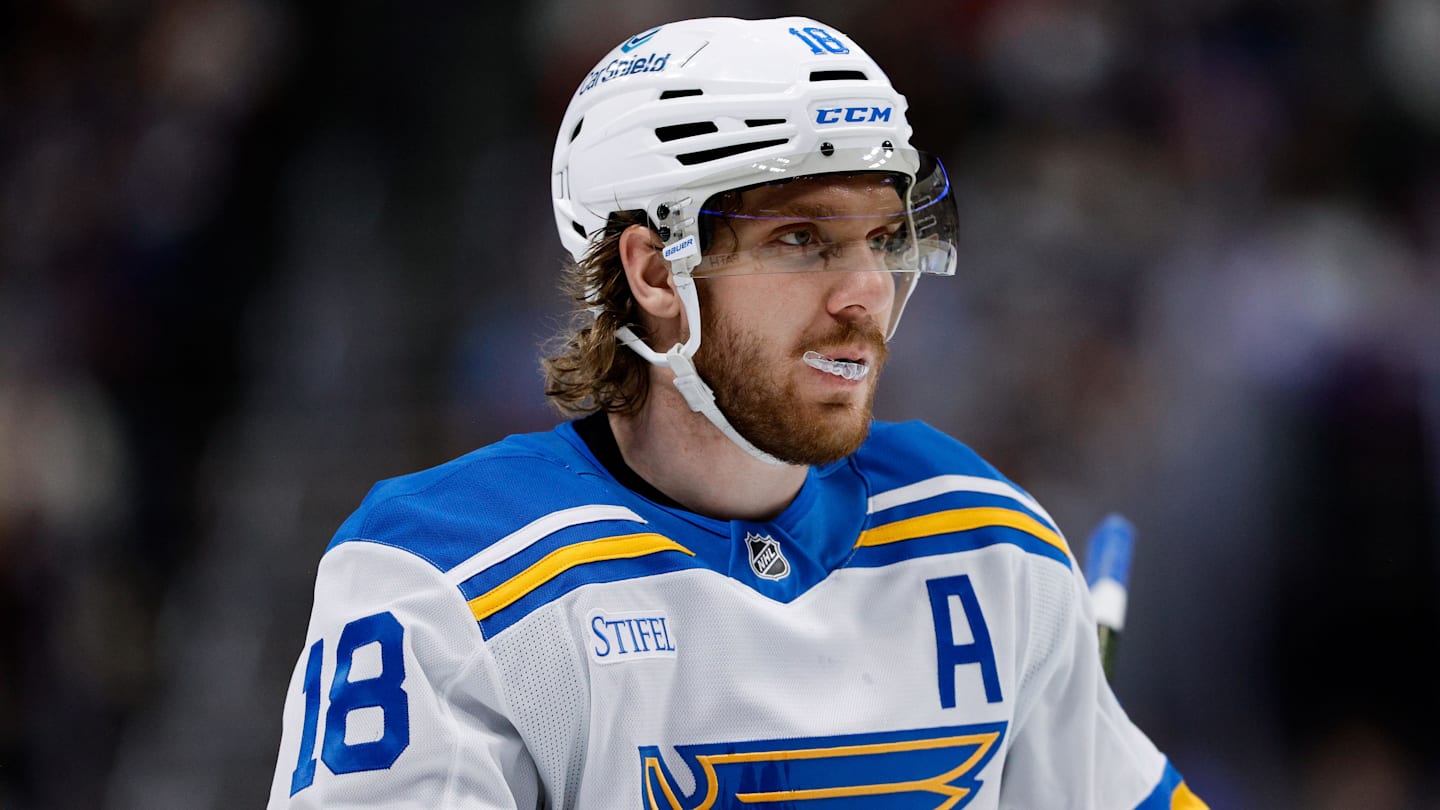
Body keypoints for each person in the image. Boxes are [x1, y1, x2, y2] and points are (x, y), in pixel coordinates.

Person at [268, 16, 1207, 809]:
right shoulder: (440, 576)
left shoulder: (987, 541)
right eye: (802, 239)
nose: (867, 291)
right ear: (653, 271)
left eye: (883, 238)